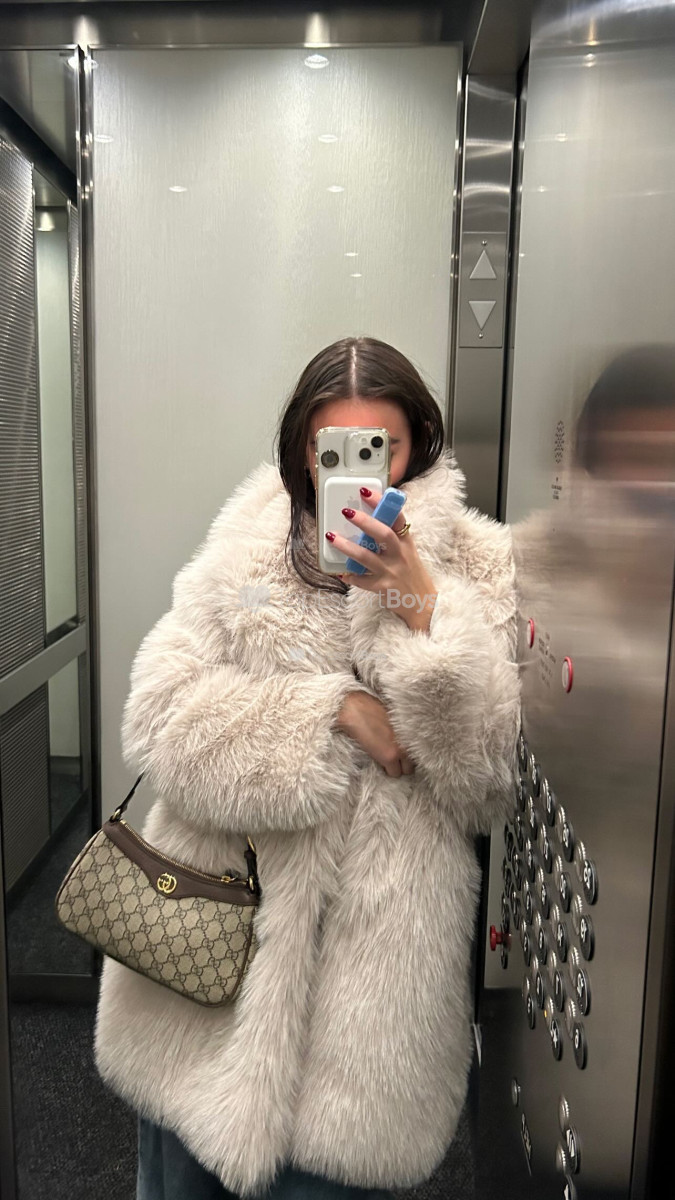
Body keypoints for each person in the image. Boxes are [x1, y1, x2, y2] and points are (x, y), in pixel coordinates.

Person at [93, 335, 522, 1200]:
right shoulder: (245, 552)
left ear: (418, 444)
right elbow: (159, 718)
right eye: (334, 449)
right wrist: (332, 713)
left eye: (380, 447)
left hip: (365, 1018)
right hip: (206, 978)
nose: (357, 471)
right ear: (301, 450)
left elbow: (487, 782)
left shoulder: (478, 566)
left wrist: (419, 604)